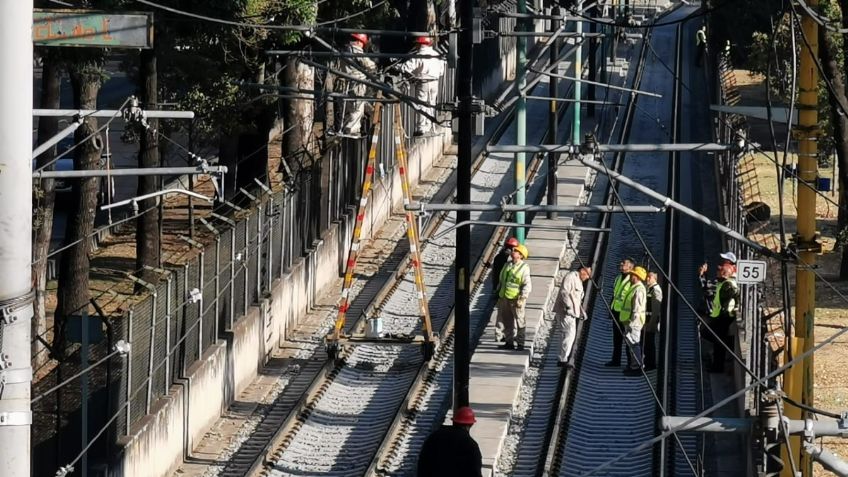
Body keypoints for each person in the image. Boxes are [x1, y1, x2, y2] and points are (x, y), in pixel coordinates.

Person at [699, 251, 739, 373]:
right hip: (719, 316)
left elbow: (714, 293)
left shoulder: (729, 284)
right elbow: (709, 290)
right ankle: (723, 355)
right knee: (715, 340)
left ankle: (718, 366)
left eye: (725, 263)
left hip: (724, 317)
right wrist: (702, 276)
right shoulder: (723, 283)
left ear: (731, 267)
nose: (721, 266)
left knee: (717, 341)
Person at [398, 36, 446, 136]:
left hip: (423, 83)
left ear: (420, 44)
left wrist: (398, 67)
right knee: (431, 104)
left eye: (417, 44)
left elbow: (406, 68)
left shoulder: (419, 55)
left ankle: (421, 128)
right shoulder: (437, 55)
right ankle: (430, 126)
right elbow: (441, 71)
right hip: (435, 82)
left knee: (421, 105)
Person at [417, 406, 483, 477]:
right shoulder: (471, 445)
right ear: (471, 424)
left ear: (454, 421)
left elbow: (422, 463)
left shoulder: (435, 436)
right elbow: (475, 471)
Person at [337, 33, 377, 136]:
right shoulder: (356, 49)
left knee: (347, 107)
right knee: (357, 107)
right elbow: (367, 63)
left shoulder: (345, 50)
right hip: (357, 82)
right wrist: (374, 65)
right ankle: (353, 129)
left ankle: (345, 127)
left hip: (345, 83)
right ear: (360, 42)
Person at [496, 244, 532, 351]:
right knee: (507, 321)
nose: (513, 252)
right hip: (505, 298)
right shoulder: (507, 265)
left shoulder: (524, 268)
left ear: (520, 255)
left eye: (515, 251)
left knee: (520, 321)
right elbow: (502, 280)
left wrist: (522, 298)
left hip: (516, 299)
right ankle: (509, 342)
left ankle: (520, 343)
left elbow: (527, 284)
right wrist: (498, 292)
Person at [557, 266, 592, 368]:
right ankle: (562, 359)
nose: (588, 278)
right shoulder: (571, 277)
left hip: (572, 313)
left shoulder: (579, 281)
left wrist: (581, 311)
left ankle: (563, 358)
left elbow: (576, 299)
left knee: (569, 335)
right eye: (587, 274)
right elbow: (564, 292)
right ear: (582, 270)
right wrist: (568, 307)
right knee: (568, 335)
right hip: (566, 312)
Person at [605, 258, 634, 367]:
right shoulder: (618, 278)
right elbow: (615, 294)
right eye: (621, 263)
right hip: (616, 312)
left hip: (626, 314)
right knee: (617, 338)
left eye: (624, 263)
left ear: (630, 267)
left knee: (628, 338)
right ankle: (616, 360)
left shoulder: (632, 279)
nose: (621, 264)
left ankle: (630, 362)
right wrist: (611, 309)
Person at [492, 237, 519, 342]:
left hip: (501, 290)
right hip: (509, 293)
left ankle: (499, 335)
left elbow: (495, 275)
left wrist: (495, 288)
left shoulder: (498, 257)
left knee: (501, 314)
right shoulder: (510, 261)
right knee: (512, 315)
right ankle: (510, 335)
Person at [621, 266, 648, 376]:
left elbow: (637, 308)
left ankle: (637, 367)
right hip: (630, 321)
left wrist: (632, 322)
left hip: (634, 322)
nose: (631, 276)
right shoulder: (635, 287)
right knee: (631, 343)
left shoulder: (639, 289)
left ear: (637, 277)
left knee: (634, 343)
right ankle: (633, 365)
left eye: (633, 275)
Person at [641, 271, 663, 371]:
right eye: (647, 277)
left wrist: (652, 323)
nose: (647, 279)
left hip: (650, 322)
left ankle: (651, 364)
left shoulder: (656, 290)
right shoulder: (649, 289)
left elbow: (656, 309)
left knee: (649, 343)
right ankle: (647, 362)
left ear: (654, 278)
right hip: (645, 321)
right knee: (646, 343)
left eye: (649, 277)